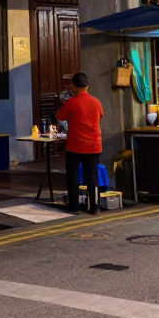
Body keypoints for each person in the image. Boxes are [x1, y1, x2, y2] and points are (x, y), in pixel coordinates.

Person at [56, 71, 104, 214]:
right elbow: (100, 116)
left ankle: (74, 207)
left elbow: (59, 116)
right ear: (87, 86)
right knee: (92, 176)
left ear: (74, 86)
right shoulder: (97, 102)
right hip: (94, 145)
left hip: (75, 145)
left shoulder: (71, 102)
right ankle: (94, 206)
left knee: (73, 175)